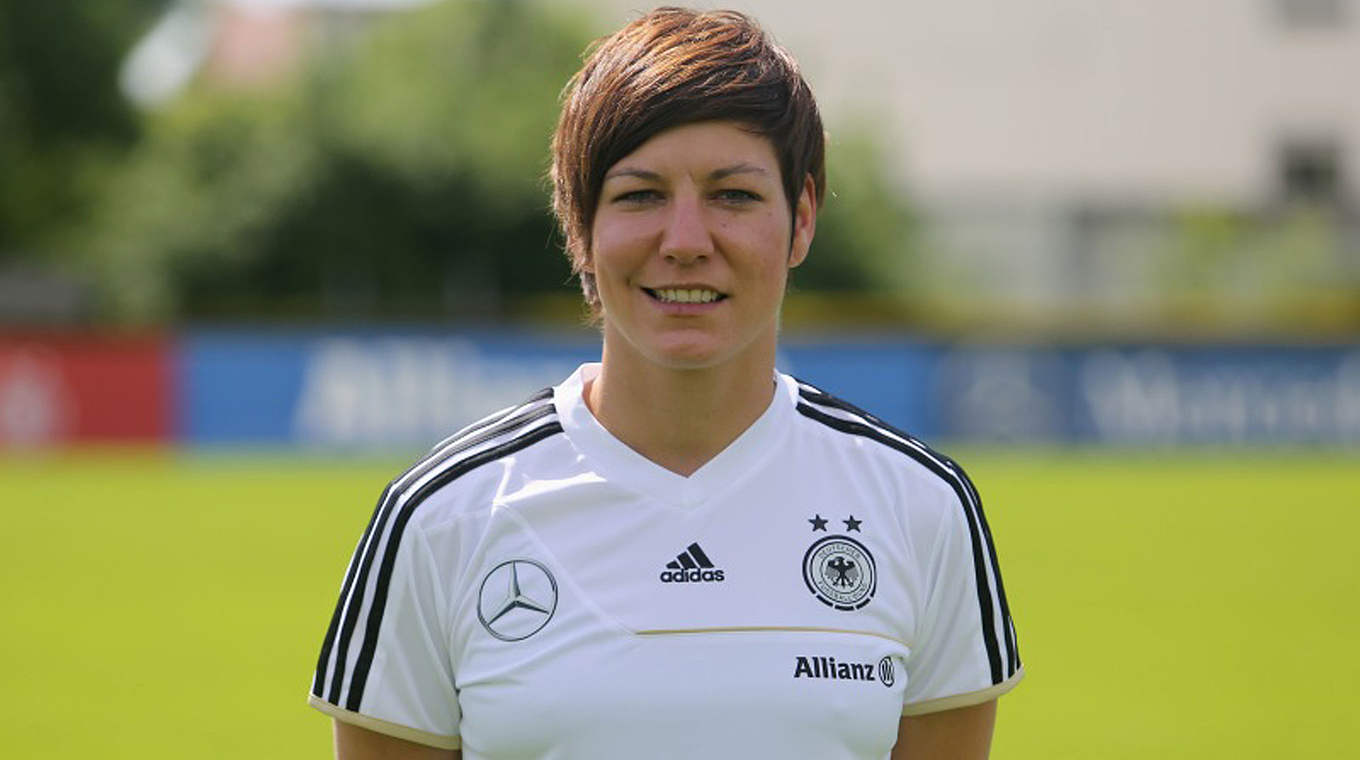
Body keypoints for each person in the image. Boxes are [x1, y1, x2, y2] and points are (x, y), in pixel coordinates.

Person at [309, 7, 1021, 759]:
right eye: (640, 195)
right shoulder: (440, 517)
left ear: (803, 219)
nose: (685, 242)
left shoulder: (920, 507)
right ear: (580, 226)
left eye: (733, 195)